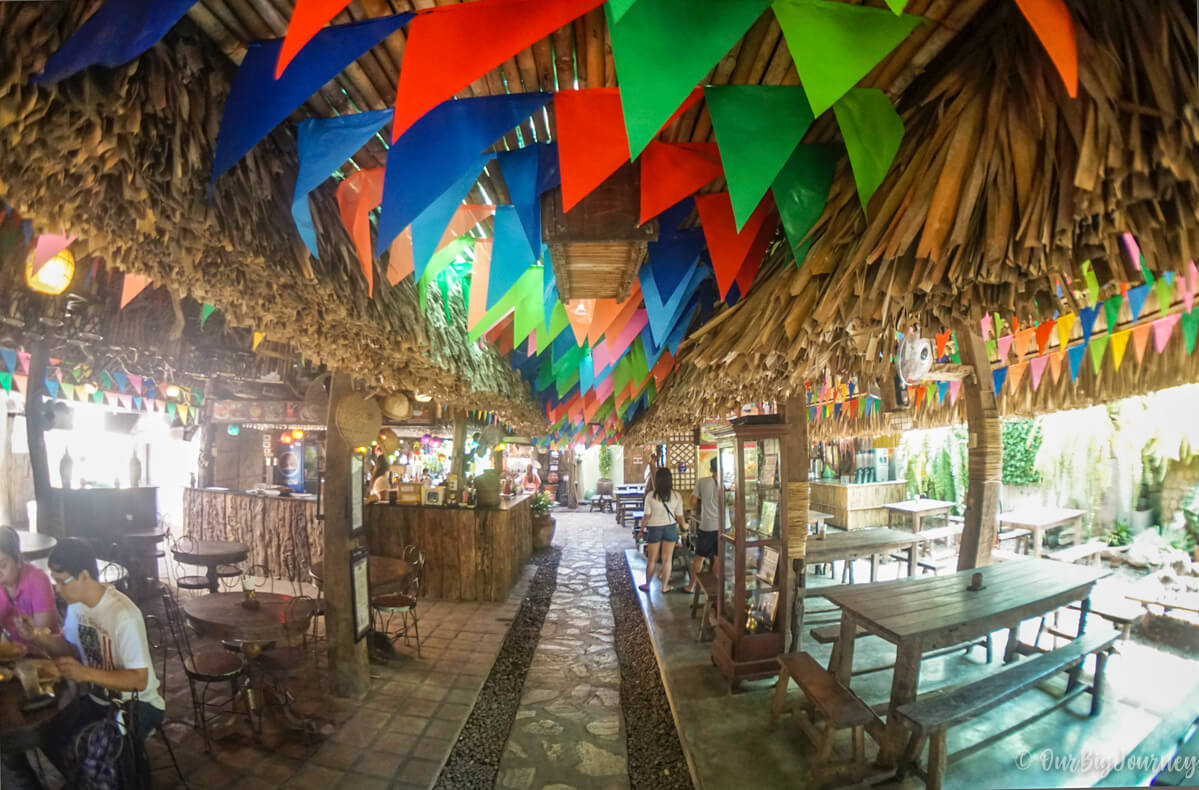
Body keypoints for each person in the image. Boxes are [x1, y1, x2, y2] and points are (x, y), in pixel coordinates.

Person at [20, 538, 165, 783]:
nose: (57, 588)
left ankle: (110, 779)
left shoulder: (123, 615)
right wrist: (37, 637)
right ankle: (86, 782)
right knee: (51, 735)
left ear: (84, 576)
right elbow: (70, 648)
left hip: (137, 704)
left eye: (61, 580)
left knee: (98, 748)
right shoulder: (78, 607)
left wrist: (86, 674)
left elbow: (139, 680)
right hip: (98, 698)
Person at [0, 526, 59, 645]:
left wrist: (31, 632)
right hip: (10, 652)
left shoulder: (38, 581)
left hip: (43, 653)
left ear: (18, 560)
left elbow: (44, 633)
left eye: (3, 565)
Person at [639, 467, 685, 594]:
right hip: (670, 528)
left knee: (652, 559)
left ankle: (647, 585)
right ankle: (664, 587)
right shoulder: (677, 496)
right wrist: (684, 526)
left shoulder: (650, 496)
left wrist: (641, 529)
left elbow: (646, 516)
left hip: (654, 528)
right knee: (667, 559)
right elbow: (679, 516)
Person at [683, 458, 720, 594]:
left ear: (711, 469)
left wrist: (703, 496)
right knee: (717, 558)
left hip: (707, 526)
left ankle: (691, 586)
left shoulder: (702, 482)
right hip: (723, 527)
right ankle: (716, 589)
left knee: (699, 557)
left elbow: (692, 501)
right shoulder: (728, 483)